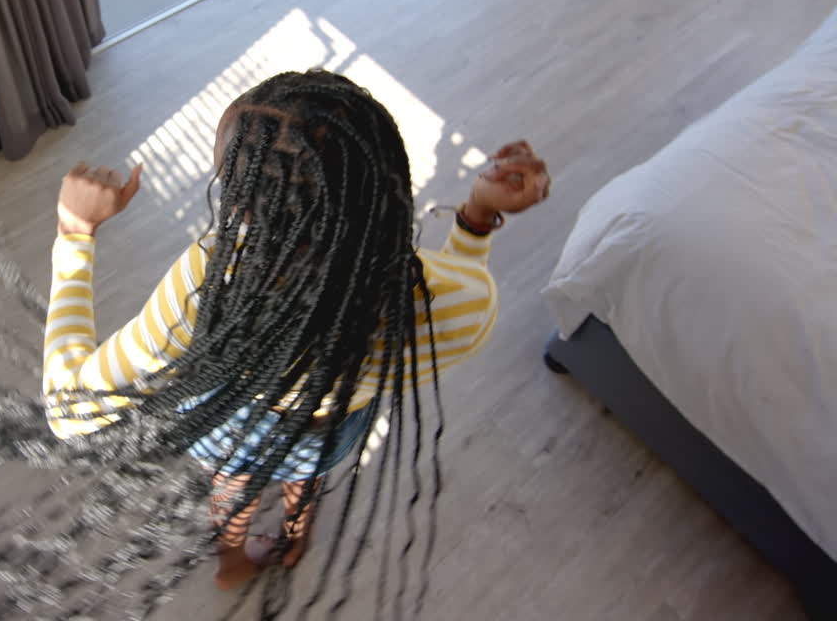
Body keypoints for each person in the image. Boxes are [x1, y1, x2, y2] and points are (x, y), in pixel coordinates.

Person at [41, 70, 549, 598]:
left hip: (232, 416)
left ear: (237, 206)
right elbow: (464, 279)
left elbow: (68, 409)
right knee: (306, 476)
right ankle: (295, 534)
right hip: (331, 425)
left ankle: (232, 561)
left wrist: (75, 234)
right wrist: (477, 215)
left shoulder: (208, 282)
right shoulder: (460, 305)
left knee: (232, 484)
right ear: (393, 191)